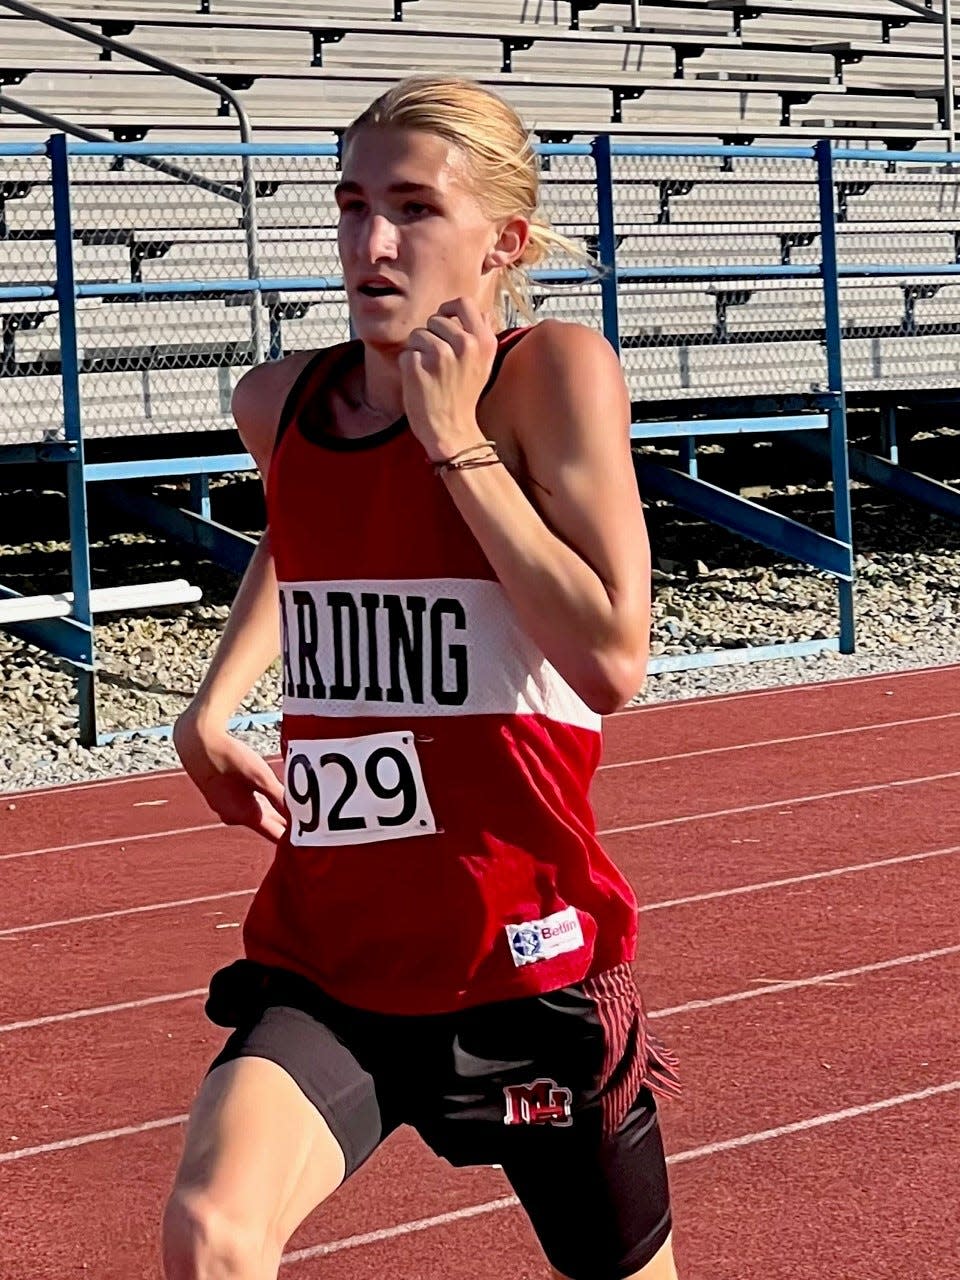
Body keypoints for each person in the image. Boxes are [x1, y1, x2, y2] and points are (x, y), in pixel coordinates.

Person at [163, 76, 681, 1280]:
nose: (371, 241)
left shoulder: (548, 375)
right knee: (211, 1229)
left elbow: (612, 658)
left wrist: (456, 443)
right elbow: (304, 530)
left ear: (503, 239)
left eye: (412, 206)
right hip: (332, 954)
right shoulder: (279, 400)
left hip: (527, 962)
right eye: (351, 204)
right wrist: (213, 701)